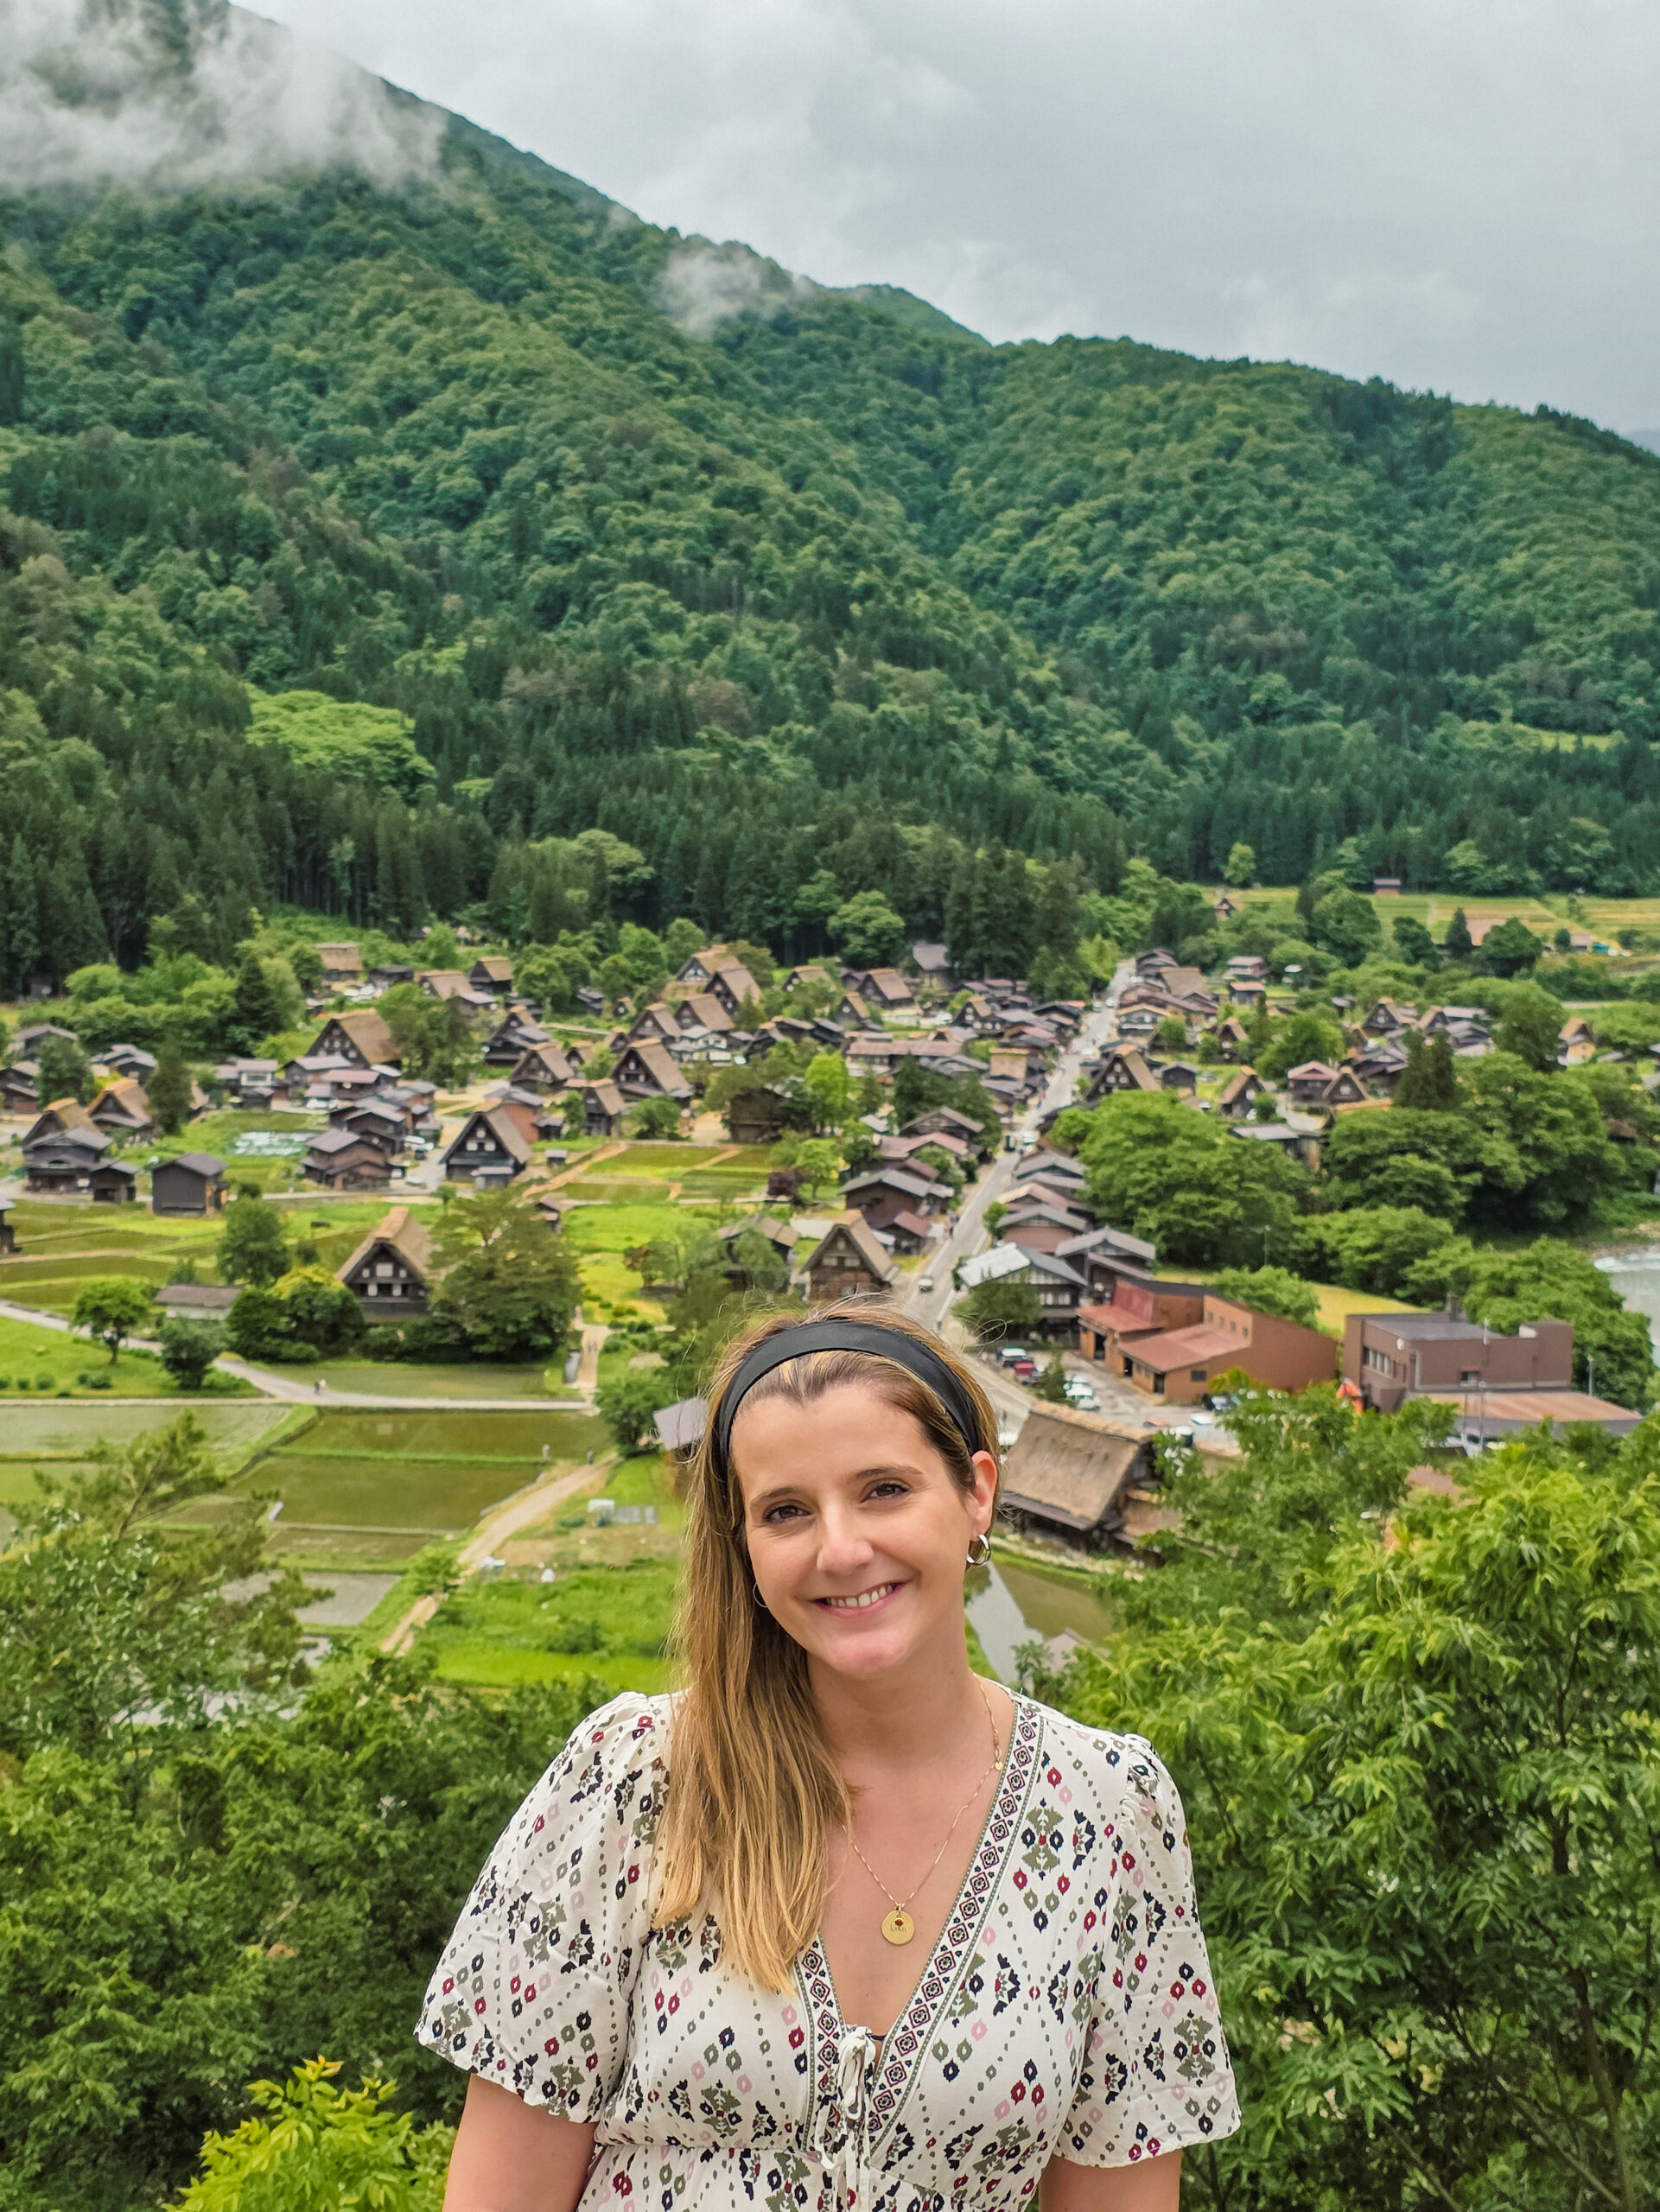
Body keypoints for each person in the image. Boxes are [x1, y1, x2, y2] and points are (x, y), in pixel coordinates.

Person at [419, 1305, 1239, 2211]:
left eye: (884, 1489)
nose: (841, 1549)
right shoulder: (634, 1780)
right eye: (786, 1511)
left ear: (976, 1492)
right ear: (743, 1544)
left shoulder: (1110, 1808)